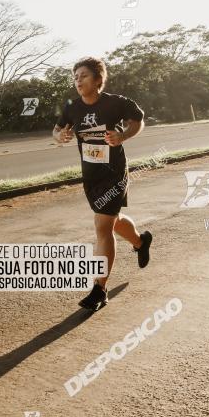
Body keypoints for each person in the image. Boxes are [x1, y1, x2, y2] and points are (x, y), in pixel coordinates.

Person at [53, 57, 152, 312]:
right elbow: (55, 130)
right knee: (111, 220)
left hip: (114, 173)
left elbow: (138, 121)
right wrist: (60, 135)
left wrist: (123, 136)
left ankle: (100, 288)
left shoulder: (116, 103)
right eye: (75, 77)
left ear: (98, 79)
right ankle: (140, 241)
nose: (78, 80)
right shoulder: (72, 107)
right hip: (91, 175)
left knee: (102, 225)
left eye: (83, 76)